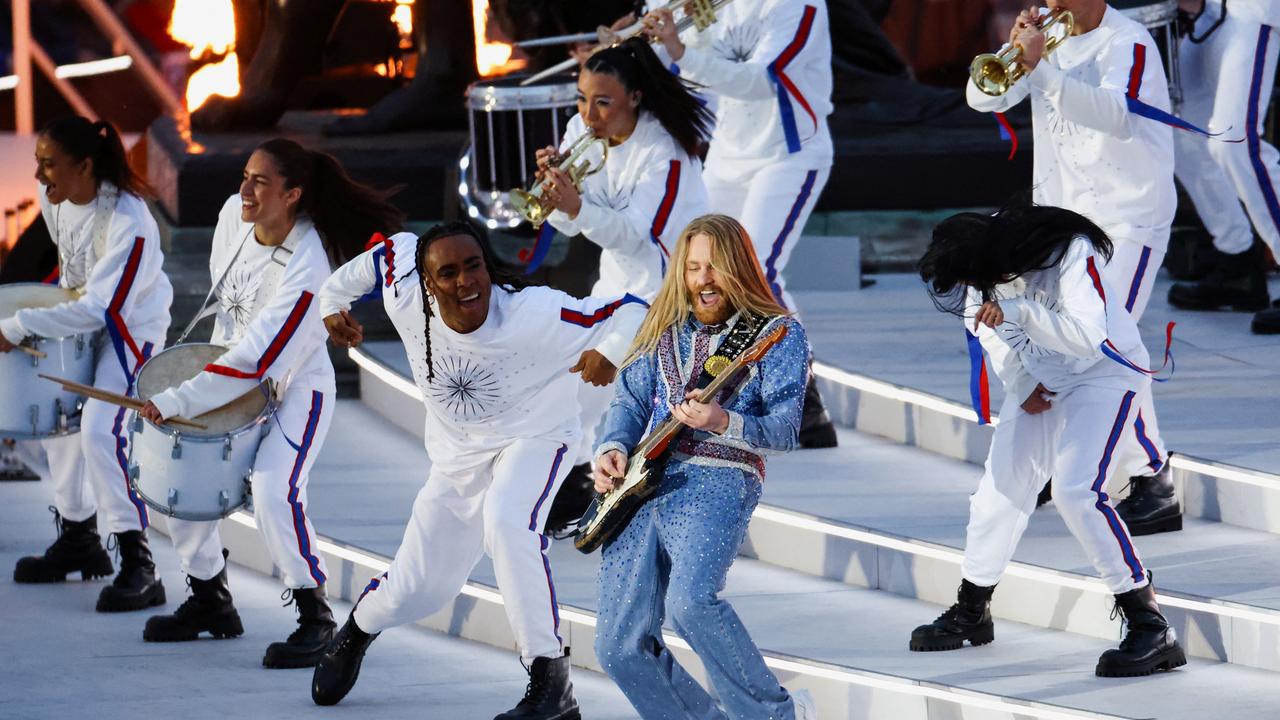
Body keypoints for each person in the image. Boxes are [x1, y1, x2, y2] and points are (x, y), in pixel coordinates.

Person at [311, 221, 646, 720]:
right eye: (448, 273)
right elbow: (358, 271)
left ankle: (551, 682)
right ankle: (357, 631)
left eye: (474, 266)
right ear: (426, 281)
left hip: (535, 436)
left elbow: (632, 308)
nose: (466, 281)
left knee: (509, 523)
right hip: (457, 457)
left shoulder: (536, 313)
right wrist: (330, 308)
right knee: (420, 586)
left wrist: (609, 350)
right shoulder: (401, 279)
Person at [138, 139, 405, 670]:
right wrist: (194, 394)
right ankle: (209, 598)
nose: (244, 190)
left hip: (293, 389)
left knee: (273, 490)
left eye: (260, 182)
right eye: (245, 176)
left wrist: (180, 398)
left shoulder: (309, 262)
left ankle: (316, 618)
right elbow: (228, 321)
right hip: (228, 377)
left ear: (293, 195)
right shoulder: (229, 218)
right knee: (179, 469)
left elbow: (261, 357)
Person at [911, 205, 1186, 678]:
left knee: (1077, 491)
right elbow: (990, 336)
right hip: (1043, 379)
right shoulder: (980, 265)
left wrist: (1019, 310)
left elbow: (1088, 337)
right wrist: (1022, 385)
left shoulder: (1070, 251)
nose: (983, 288)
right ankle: (972, 611)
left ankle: (1150, 624)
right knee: (999, 491)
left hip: (1106, 373)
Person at [965, 0, 1180, 534]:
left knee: (1106, 340)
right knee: (1067, 344)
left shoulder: (1128, 42)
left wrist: (1041, 69)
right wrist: (1013, 54)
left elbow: (1117, 115)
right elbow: (981, 99)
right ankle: (1084, 462)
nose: (1050, 3)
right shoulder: (1047, 43)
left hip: (1130, 216)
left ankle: (1151, 477)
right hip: (1065, 222)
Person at [591, 214, 817, 720]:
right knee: (617, 647)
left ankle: (776, 715)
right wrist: (611, 447)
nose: (703, 280)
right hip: (638, 484)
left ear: (738, 269)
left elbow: (784, 430)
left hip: (719, 475)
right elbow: (627, 403)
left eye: (714, 268)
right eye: (693, 268)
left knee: (691, 603)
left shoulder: (777, 333)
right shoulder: (661, 324)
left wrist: (722, 419)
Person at [642, 0, 840, 448]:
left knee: (756, 271)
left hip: (790, 152)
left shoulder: (802, 6)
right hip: (729, 153)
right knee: (696, 266)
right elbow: (696, 78)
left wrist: (679, 49)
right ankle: (712, 387)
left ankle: (803, 395)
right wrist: (645, 45)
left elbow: (760, 81)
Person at [535, 35, 711, 526]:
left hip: (670, 291)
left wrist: (577, 206)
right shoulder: (579, 130)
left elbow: (642, 237)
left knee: (606, 381)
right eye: (582, 99)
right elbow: (572, 225)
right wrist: (556, 200)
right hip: (615, 288)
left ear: (634, 97)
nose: (589, 115)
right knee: (575, 378)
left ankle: (597, 491)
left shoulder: (666, 153)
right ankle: (579, 489)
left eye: (603, 102)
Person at [6, 116, 173, 613]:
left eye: (49, 164)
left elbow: (103, 310)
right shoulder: (53, 200)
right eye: (38, 163)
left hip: (128, 333)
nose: (38, 176)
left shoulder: (130, 223)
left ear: (85, 166)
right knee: (60, 427)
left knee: (100, 431)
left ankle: (139, 562)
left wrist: (14, 327)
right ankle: (79, 537)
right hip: (79, 326)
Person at [1167, 0, 1280, 334]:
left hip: (1253, 11)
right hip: (1211, 13)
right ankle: (1237, 262)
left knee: (1237, 144)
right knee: (1175, 127)